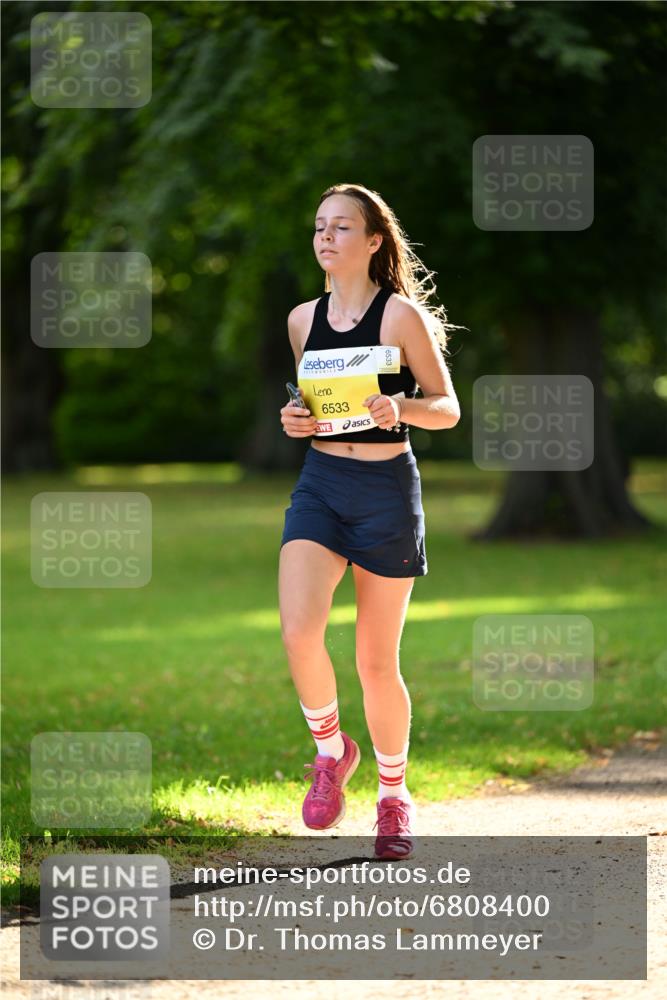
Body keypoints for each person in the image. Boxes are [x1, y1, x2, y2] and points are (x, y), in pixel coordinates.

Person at [279, 183, 461, 859]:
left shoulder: (399, 317)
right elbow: (313, 405)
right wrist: (295, 418)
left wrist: (401, 409)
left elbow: (446, 408)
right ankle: (331, 752)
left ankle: (393, 797)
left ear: (373, 240)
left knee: (375, 663)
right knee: (299, 631)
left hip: (386, 489)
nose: (326, 237)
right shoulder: (302, 320)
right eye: (319, 227)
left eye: (341, 227)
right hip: (322, 485)